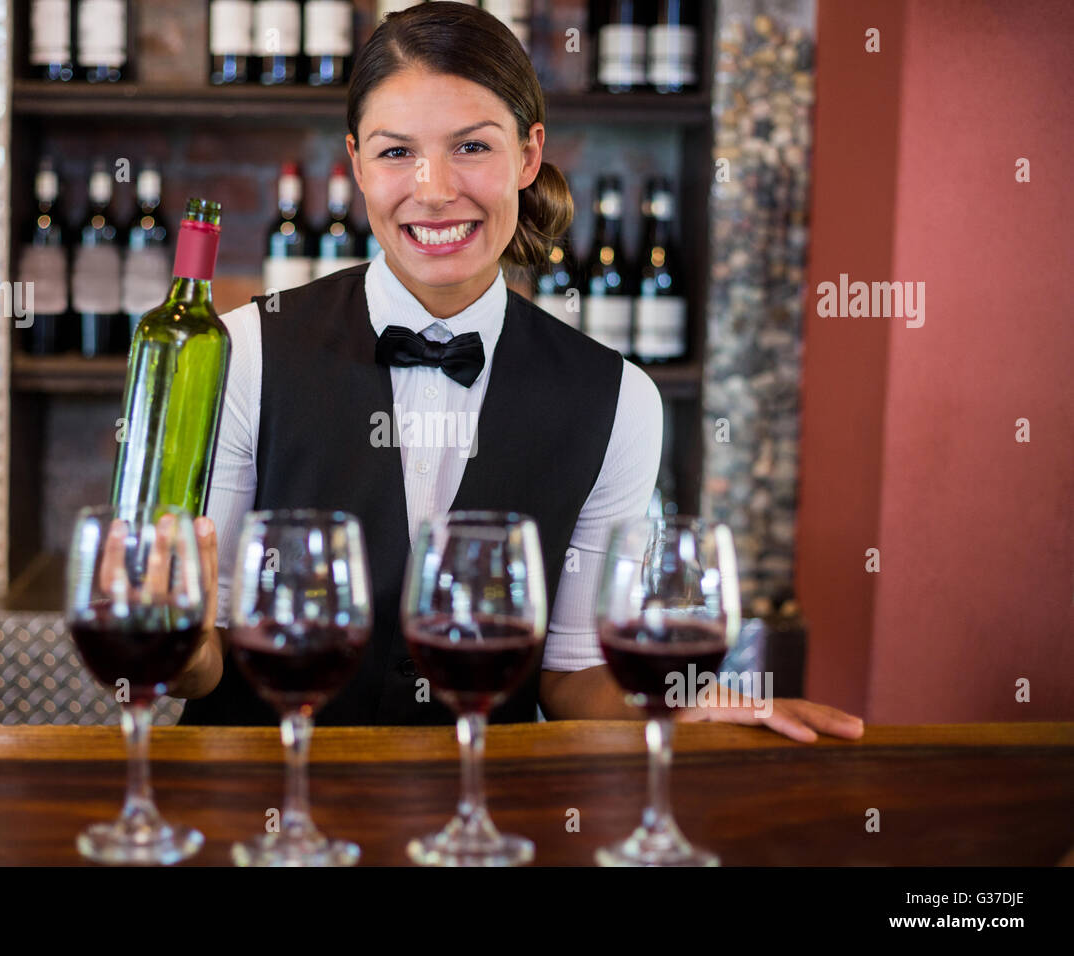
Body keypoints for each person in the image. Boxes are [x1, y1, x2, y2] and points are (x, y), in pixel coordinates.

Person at [173, 2, 862, 743]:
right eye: (395, 152)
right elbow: (205, 659)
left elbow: (572, 677)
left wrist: (689, 704)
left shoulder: (619, 401)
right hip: (257, 805)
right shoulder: (243, 352)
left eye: (471, 147)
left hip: (486, 815)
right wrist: (167, 638)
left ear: (529, 155)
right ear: (357, 166)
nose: (433, 189)